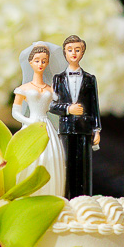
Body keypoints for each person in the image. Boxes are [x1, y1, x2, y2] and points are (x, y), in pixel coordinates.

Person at [11, 42, 66, 197]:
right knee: (31, 157)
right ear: (30, 62)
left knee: (52, 156)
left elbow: (58, 107)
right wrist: (30, 123)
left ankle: (52, 194)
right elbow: (15, 112)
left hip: (47, 127)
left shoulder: (51, 89)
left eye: (44, 61)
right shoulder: (24, 89)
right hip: (31, 125)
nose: (40, 64)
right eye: (37, 60)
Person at [49, 35, 101, 199]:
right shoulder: (58, 79)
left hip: (85, 128)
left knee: (84, 167)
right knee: (66, 166)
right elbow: (51, 106)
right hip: (66, 128)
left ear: (82, 52)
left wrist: (97, 129)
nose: (73, 53)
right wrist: (68, 109)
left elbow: (94, 105)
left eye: (77, 50)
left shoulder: (90, 79)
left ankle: (84, 200)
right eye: (70, 50)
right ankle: (66, 199)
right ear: (64, 53)